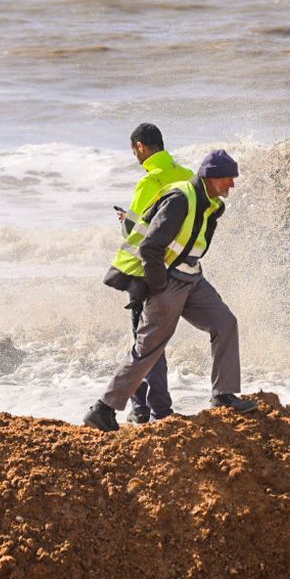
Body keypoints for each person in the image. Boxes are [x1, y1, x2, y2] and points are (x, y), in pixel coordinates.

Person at [84, 149, 258, 432]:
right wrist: (159, 287)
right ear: (212, 177)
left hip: (192, 279)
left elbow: (192, 245)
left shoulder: (213, 204)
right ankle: (103, 409)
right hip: (167, 282)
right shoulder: (180, 200)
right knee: (148, 348)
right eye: (229, 178)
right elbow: (149, 248)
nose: (233, 185)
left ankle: (223, 394)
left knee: (225, 323)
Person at [104, 123, 193, 424]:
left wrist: (125, 220)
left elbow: (141, 231)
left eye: (135, 152)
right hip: (180, 269)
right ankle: (157, 407)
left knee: (144, 343)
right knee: (157, 339)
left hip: (145, 273)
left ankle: (147, 408)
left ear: (141, 147)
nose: (136, 157)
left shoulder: (149, 182)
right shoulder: (186, 176)